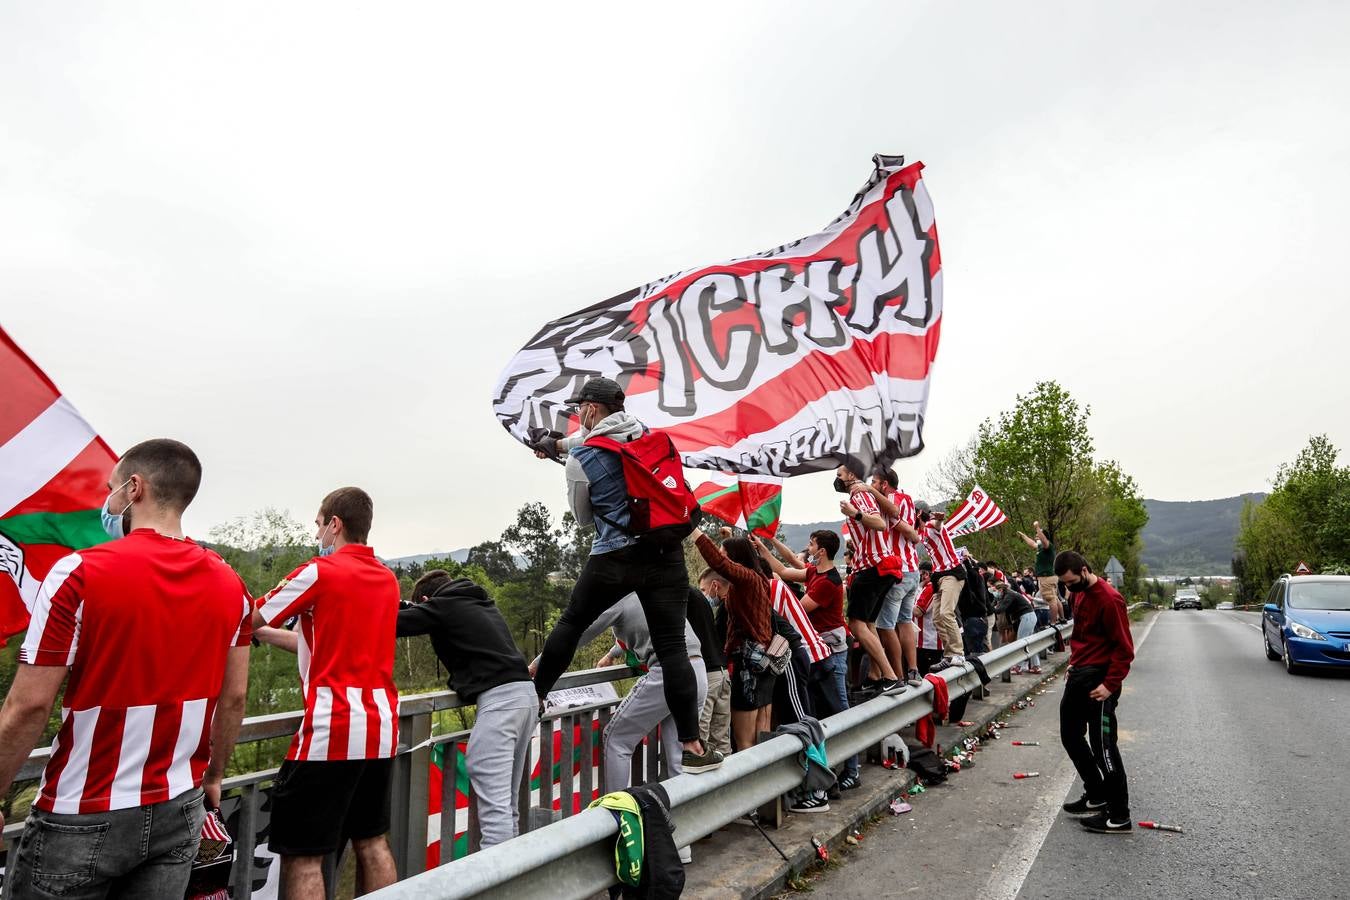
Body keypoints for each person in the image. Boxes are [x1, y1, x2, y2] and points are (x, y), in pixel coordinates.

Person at [0, 439, 252, 899]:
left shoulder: (77, 572)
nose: (107, 501)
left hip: (81, 809)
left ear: (134, 488)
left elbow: (28, 704)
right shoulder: (231, 584)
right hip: (180, 807)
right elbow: (233, 698)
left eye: (111, 489)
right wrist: (213, 776)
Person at [529, 377, 719, 773]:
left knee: (572, 621)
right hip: (666, 553)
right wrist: (555, 445)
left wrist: (565, 459)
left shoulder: (584, 458)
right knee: (673, 649)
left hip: (616, 555)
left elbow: (583, 517)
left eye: (579, 408)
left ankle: (533, 698)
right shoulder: (646, 435)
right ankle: (694, 746)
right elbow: (593, 438)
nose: (576, 415)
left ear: (592, 409)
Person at [252, 487, 400, 899]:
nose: (317, 532)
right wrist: (267, 633)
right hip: (380, 727)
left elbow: (249, 615)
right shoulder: (386, 579)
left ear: (335, 524)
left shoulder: (319, 571)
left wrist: (252, 625)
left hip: (330, 730)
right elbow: (320, 643)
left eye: (319, 523)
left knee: (304, 855)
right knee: (372, 841)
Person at [396, 569, 537, 847]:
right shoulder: (477, 602)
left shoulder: (442, 606)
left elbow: (392, 623)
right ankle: (516, 876)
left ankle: (497, 886)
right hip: (525, 697)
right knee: (508, 805)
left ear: (426, 599)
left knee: (495, 810)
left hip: (501, 704)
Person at [1055, 551, 1135, 834]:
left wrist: (1110, 684)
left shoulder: (1110, 599)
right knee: (1070, 736)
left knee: (1104, 747)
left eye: (1073, 581)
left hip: (1101, 680)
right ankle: (1096, 793)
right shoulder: (1076, 593)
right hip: (1079, 674)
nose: (1070, 588)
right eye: (1065, 583)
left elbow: (1124, 649)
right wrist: (1073, 664)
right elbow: (1082, 635)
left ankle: (1119, 815)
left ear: (1085, 571)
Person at [694, 532, 775, 752]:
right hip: (762, 661)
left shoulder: (748, 578)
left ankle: (750, 784)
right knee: (760, 736)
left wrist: (694, 532)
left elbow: (719, 563)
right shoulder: (758, 581)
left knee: (744, 741)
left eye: (725, 556)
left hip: (747, 667)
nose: (723, 562)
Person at [849, 468, 924, 686]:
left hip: (894, 567)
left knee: (885, 626)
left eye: (874, 482)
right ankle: (912, 671)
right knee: (905, 621)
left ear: (883, 484)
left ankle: (896, 677)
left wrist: (868, 495)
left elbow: (892, 516)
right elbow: (914, 535)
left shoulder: (885, 500)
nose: (869, 485)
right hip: (913, 569)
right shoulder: (908, 499)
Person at [835, 465, 904, 693]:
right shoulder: (862, 493)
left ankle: (891, 676)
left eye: (840, 475)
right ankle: (877, 675)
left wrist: (855, 514)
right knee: (869, 623)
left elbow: (879, 522)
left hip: (872, 566)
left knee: (856, 623)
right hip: (881, 565)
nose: (837, 479)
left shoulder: (857, 493)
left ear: (851, 475)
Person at [917, 502, 966, 671]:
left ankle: (958, 653)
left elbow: (937, 525)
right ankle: (949, 654)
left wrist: (938, 520)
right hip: (938, 576)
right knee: (937, 618)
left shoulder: (930, 525)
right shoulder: (920, 531)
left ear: (919, 515)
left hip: (951, 573)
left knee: (946, 613)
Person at [687, 581, 730, 758]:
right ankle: (733, 782)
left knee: (700, 742)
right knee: (721, 741)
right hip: (722, 672)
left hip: (705, 676)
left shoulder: (679, 598)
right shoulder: (699, 597)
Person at [1017, 522, 1063, 624]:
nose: (1036, 536)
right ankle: (1062, 617)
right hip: (1048, 577)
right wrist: (1023, 536)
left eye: (1038, 535)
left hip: (1046, 577)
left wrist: (1037, 527)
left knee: (1051, 600)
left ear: (1044, 537)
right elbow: (1032, 543)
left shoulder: (1047, 546)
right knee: (1054, 598)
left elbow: (1044, 541)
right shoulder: (1041, 547)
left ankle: (1053, 622)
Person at [992, 581, 1039, 674]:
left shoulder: (1009, 595)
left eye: (995, 591)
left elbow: (1000, 609)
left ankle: (1018, 667)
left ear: (1000, 590)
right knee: (1029, 642)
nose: (994, 593)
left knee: (1021, 642)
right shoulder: (1005, 596)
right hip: (1027, 617)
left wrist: (989, 609)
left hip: (1027, 617)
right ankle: (1035, 666)